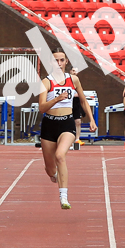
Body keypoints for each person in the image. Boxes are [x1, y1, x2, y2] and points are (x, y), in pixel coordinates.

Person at [38, 48, 97, 209]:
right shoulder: (46, 82)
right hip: (49, 125)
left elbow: (83, 101)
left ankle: (63, 197)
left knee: (60, 155)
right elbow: (41, 108)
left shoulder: (74, 80)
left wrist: (91, 119)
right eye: (55, 60)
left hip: (67, 123)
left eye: (61, 60)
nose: (59, 63)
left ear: (66, 62)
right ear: (50, 62)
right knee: (50, 169)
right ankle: (54, 174)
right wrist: (56, 99)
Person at [70, 68, 86, 148]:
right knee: (69, 122)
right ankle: (69, 140)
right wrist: (73, 95)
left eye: (76, 71)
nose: (75, 72)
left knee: (78, 121)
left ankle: (77, 139)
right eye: (73, 71)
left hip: (76, 103)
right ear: (70, 71)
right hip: (69, 103)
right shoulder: (67, 80)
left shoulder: (77, 81)